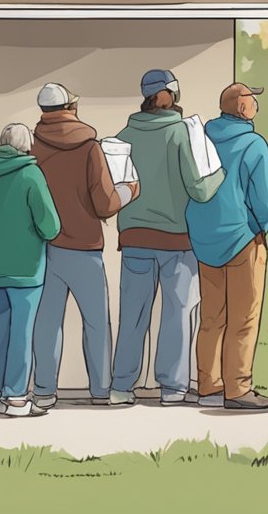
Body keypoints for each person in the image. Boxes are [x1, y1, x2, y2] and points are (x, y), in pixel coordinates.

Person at [111, 69, 225, 407]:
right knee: (177, 313)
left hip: (133, 237)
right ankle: (172, 388)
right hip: (176, 239)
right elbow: (200, 189)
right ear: (172, 95)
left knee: (132, 313)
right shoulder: (181, 134)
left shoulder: (123, 135)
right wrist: (218, 173)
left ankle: (121, 387)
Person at [30, 83, 139, 409]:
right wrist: (130, 191)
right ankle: (101, 390)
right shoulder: (91, 148)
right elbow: (105, 204)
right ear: (71, 108)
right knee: (96, 323)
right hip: (86, 247)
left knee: (47, 322)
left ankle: (45, 390)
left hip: (45, 249)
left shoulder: (33, 148)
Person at [186, 83, 268, 410]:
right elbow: (267, 200)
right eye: (251, 99)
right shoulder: (253, 143)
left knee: (212, 316)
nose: (255, 103)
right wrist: (258, 230)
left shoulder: (202, 140)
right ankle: (238, 389)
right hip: (243, 240)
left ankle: (209, 384)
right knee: (244, 317)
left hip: (205, 238)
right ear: (241, 108)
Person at [0, 124, 61, 418]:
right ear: (27, 144)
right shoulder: (31, 173)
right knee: (21, 333)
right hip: (27, 269)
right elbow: (51, 226)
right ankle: (16, 397)